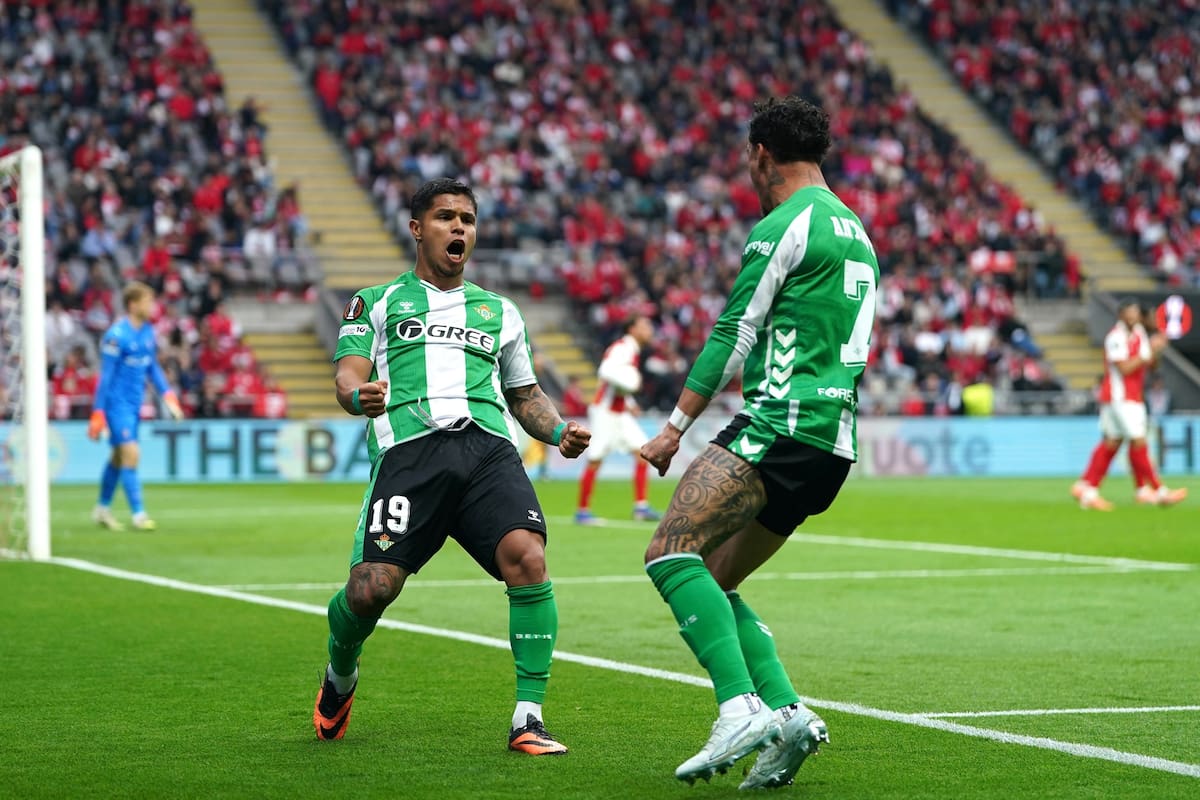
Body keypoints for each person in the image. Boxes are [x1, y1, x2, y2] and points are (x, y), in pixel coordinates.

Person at [638, 96, 879, 788]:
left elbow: (733, 332)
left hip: (779, 424)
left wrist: (673, 430)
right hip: (833, 444)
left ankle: (738, 706)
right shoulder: (856, 230)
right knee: (718, 575)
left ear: (761, 155)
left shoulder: (785, 223)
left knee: (668, 552)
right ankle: (788, 713)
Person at [312, 178, 591, 756]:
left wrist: (559, 430)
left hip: (488, 450)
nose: (458, 227)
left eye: (467, 218)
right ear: (418, 229)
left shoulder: (500, 311)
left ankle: (528, 718)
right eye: (444, 217)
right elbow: (348, 373)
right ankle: (341, 674)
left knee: (529, 558)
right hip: (410, 455)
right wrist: (354, 394)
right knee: (371, 589)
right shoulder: (378, 301)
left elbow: (525, 394)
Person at [1071, 300, 1186, 509]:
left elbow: (1151, 365)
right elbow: (1124, 368)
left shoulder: (1139, 333)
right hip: (1119, 397)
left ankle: (1087, 488)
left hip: (1132, 397)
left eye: (1135, 313)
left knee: (1112, 443)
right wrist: (1148, 350)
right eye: (1129, 313)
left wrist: (1157, 350)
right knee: (1138, 441)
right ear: (1121, 315)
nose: (1134, 316)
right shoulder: (1115, 337)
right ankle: (1158, 490)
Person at [88, 281, 184, 531]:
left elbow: (152, 367)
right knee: (132, 454)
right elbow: (105, 377)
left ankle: (101, 509)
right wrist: (98, 412)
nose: (152, 306)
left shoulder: (148, 332)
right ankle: (139, 515)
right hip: (116, 405)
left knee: (119, 458)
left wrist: (168, 395)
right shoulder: (115, 336)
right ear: (133, 305)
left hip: (134, 404)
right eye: (147, 301)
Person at [574, 314, 661, 524]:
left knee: (643, 452)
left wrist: (629, 402)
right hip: (605, 412)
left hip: (620, 412)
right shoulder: (622, 348)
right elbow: (606, 371)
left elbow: (616, 382)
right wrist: (632, 382)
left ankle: (641, 507)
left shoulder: (630, 349)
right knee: (595, 458)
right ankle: (582, 511)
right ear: (632, 329)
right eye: (644, 325)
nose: (649, 330)